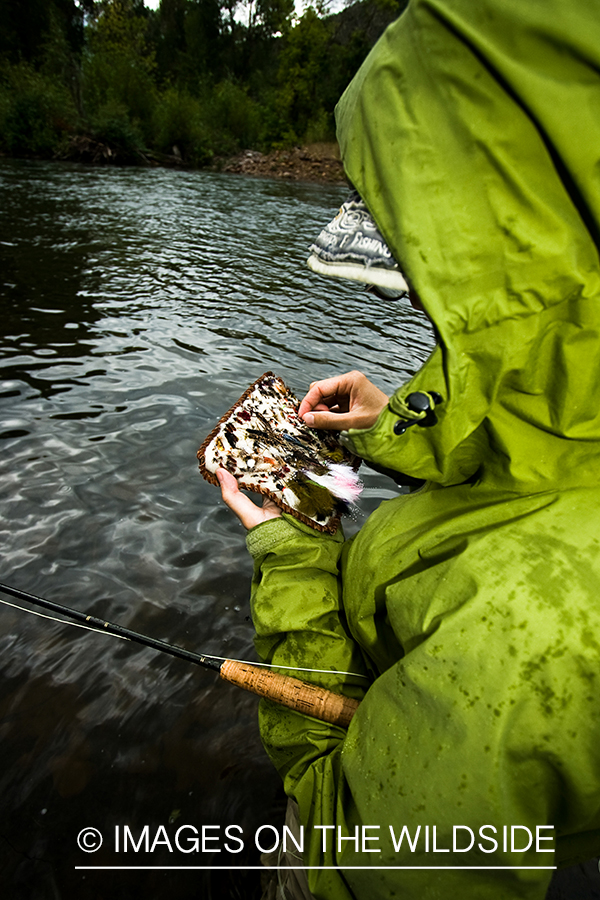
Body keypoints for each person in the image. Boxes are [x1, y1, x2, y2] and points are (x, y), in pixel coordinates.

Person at [216, 0, 600, 897]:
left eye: (437, 294)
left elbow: (349, 837)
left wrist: (294, 553)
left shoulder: (530, 645)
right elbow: (546, 432)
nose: (428, 315)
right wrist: (395, 422)